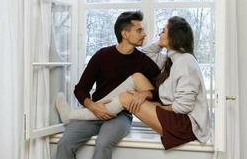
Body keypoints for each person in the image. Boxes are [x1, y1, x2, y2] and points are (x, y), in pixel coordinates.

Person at [56, 16, 211, 150]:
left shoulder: (185, 62)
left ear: (174, 36)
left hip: (185, 126)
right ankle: (93, 109)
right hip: (177, 120)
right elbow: (148, 53)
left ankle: (73, 114)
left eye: (163, 31)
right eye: (139, 30)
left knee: (127, 98)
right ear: (125, 33)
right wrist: (162, 41)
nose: (158, 33)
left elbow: (184, 107)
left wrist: (155, 105)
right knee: (135, 80)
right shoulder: (171, 59)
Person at [55, 11, 160, 159]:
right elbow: (80, 89)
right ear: (125, 34)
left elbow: (162, 91)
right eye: (139, 30)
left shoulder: (143, 62)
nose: (144, 34)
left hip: (120, 116)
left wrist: (146, 93)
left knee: (103, 145)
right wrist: (92, 106)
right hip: (93, 110)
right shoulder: (102, 55)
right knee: (64, 144)